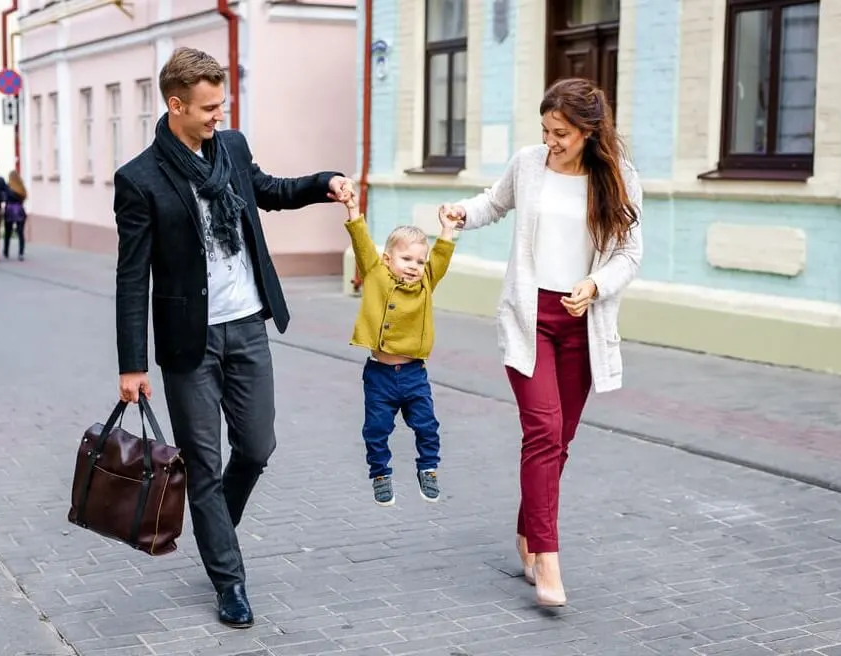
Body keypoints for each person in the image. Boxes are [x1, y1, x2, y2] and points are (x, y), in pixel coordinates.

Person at [113, 47, 351, 629]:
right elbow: (131, 276)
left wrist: (325, 182)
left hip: (247, 325)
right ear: (176, 105)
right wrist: (133, 363)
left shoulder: (233, 149)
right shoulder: (140, 179)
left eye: (222, 104)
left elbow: (269, 190)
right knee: (204, 464)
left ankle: (213, 524)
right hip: (188, 341)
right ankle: (230, 579)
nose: (219, 114)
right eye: (209, 107)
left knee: (257, 447)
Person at [439, 77, 643, 608]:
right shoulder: (530, 163)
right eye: (546, 130)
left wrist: (595, 284)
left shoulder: (617, 178)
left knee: (559, 440)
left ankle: (529, 530)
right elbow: (494, 203)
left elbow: (629, 254)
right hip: (531, 319)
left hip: (583, 322)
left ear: (589, 133)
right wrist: (463, 212)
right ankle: (547, 560)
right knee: (545, 430)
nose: (551, 141)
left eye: (562, 133)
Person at [340, 180, 460, 507]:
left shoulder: (426, 283)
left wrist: (447, 230)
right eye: (406, 259)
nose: (414, 267)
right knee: (376, 430)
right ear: (388, 259)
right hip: (379, 374)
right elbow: (361, 240)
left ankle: (428, 468)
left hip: (413, 374)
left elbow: (442, 257)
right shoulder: (376, 275)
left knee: (427, 425)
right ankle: (380, 474)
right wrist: (352, 208)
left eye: (420, 262)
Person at [3, 170, 28, 261]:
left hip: (9, 210)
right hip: (19, 210)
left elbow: (4, 197)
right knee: (20, 233)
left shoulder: (7, 187)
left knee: (7, 232)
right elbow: (25, 197)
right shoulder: (21, 187)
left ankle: (6, 251)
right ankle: (21, 253)